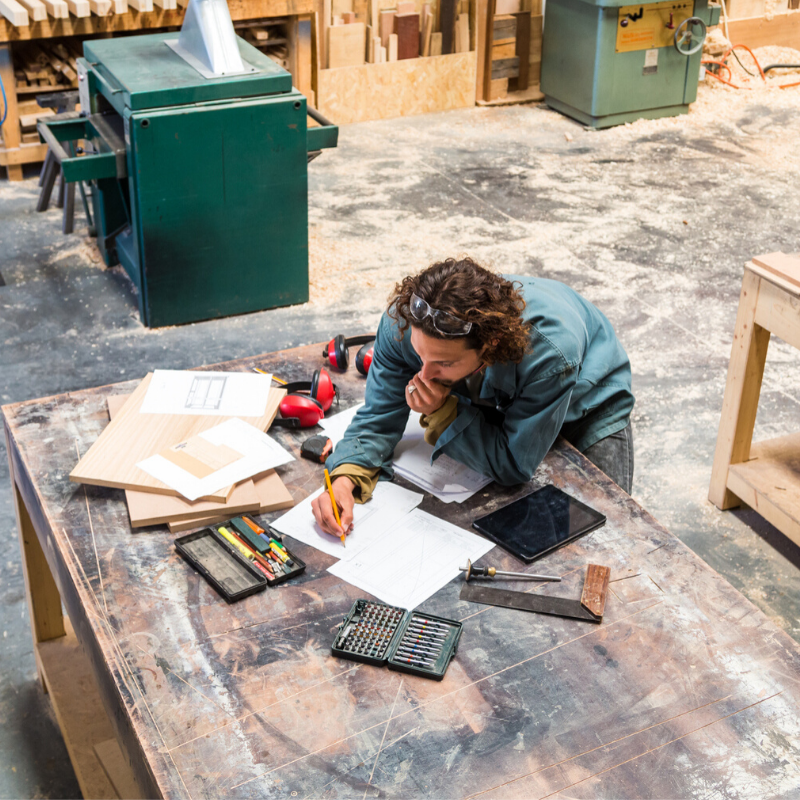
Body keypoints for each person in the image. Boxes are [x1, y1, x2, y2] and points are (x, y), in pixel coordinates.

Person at [311, 257, 634, 536]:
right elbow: (378, 417)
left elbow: (513, 465)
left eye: (444, 363)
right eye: (419, 355)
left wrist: (442, 412)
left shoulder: (549, 356)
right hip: (498, 388)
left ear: (490, 345)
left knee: (607, 532)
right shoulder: (405, 325)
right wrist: (343, 479)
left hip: (588, 403)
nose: (423, 375)